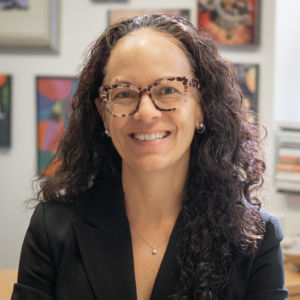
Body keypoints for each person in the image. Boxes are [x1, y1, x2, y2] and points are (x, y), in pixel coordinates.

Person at [11, 14, 287, 300]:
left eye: (168, 90)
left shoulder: (256, 238)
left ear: (201, 106)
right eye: (123, 93)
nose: (145, 112)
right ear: (103, 113)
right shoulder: (52, 227)